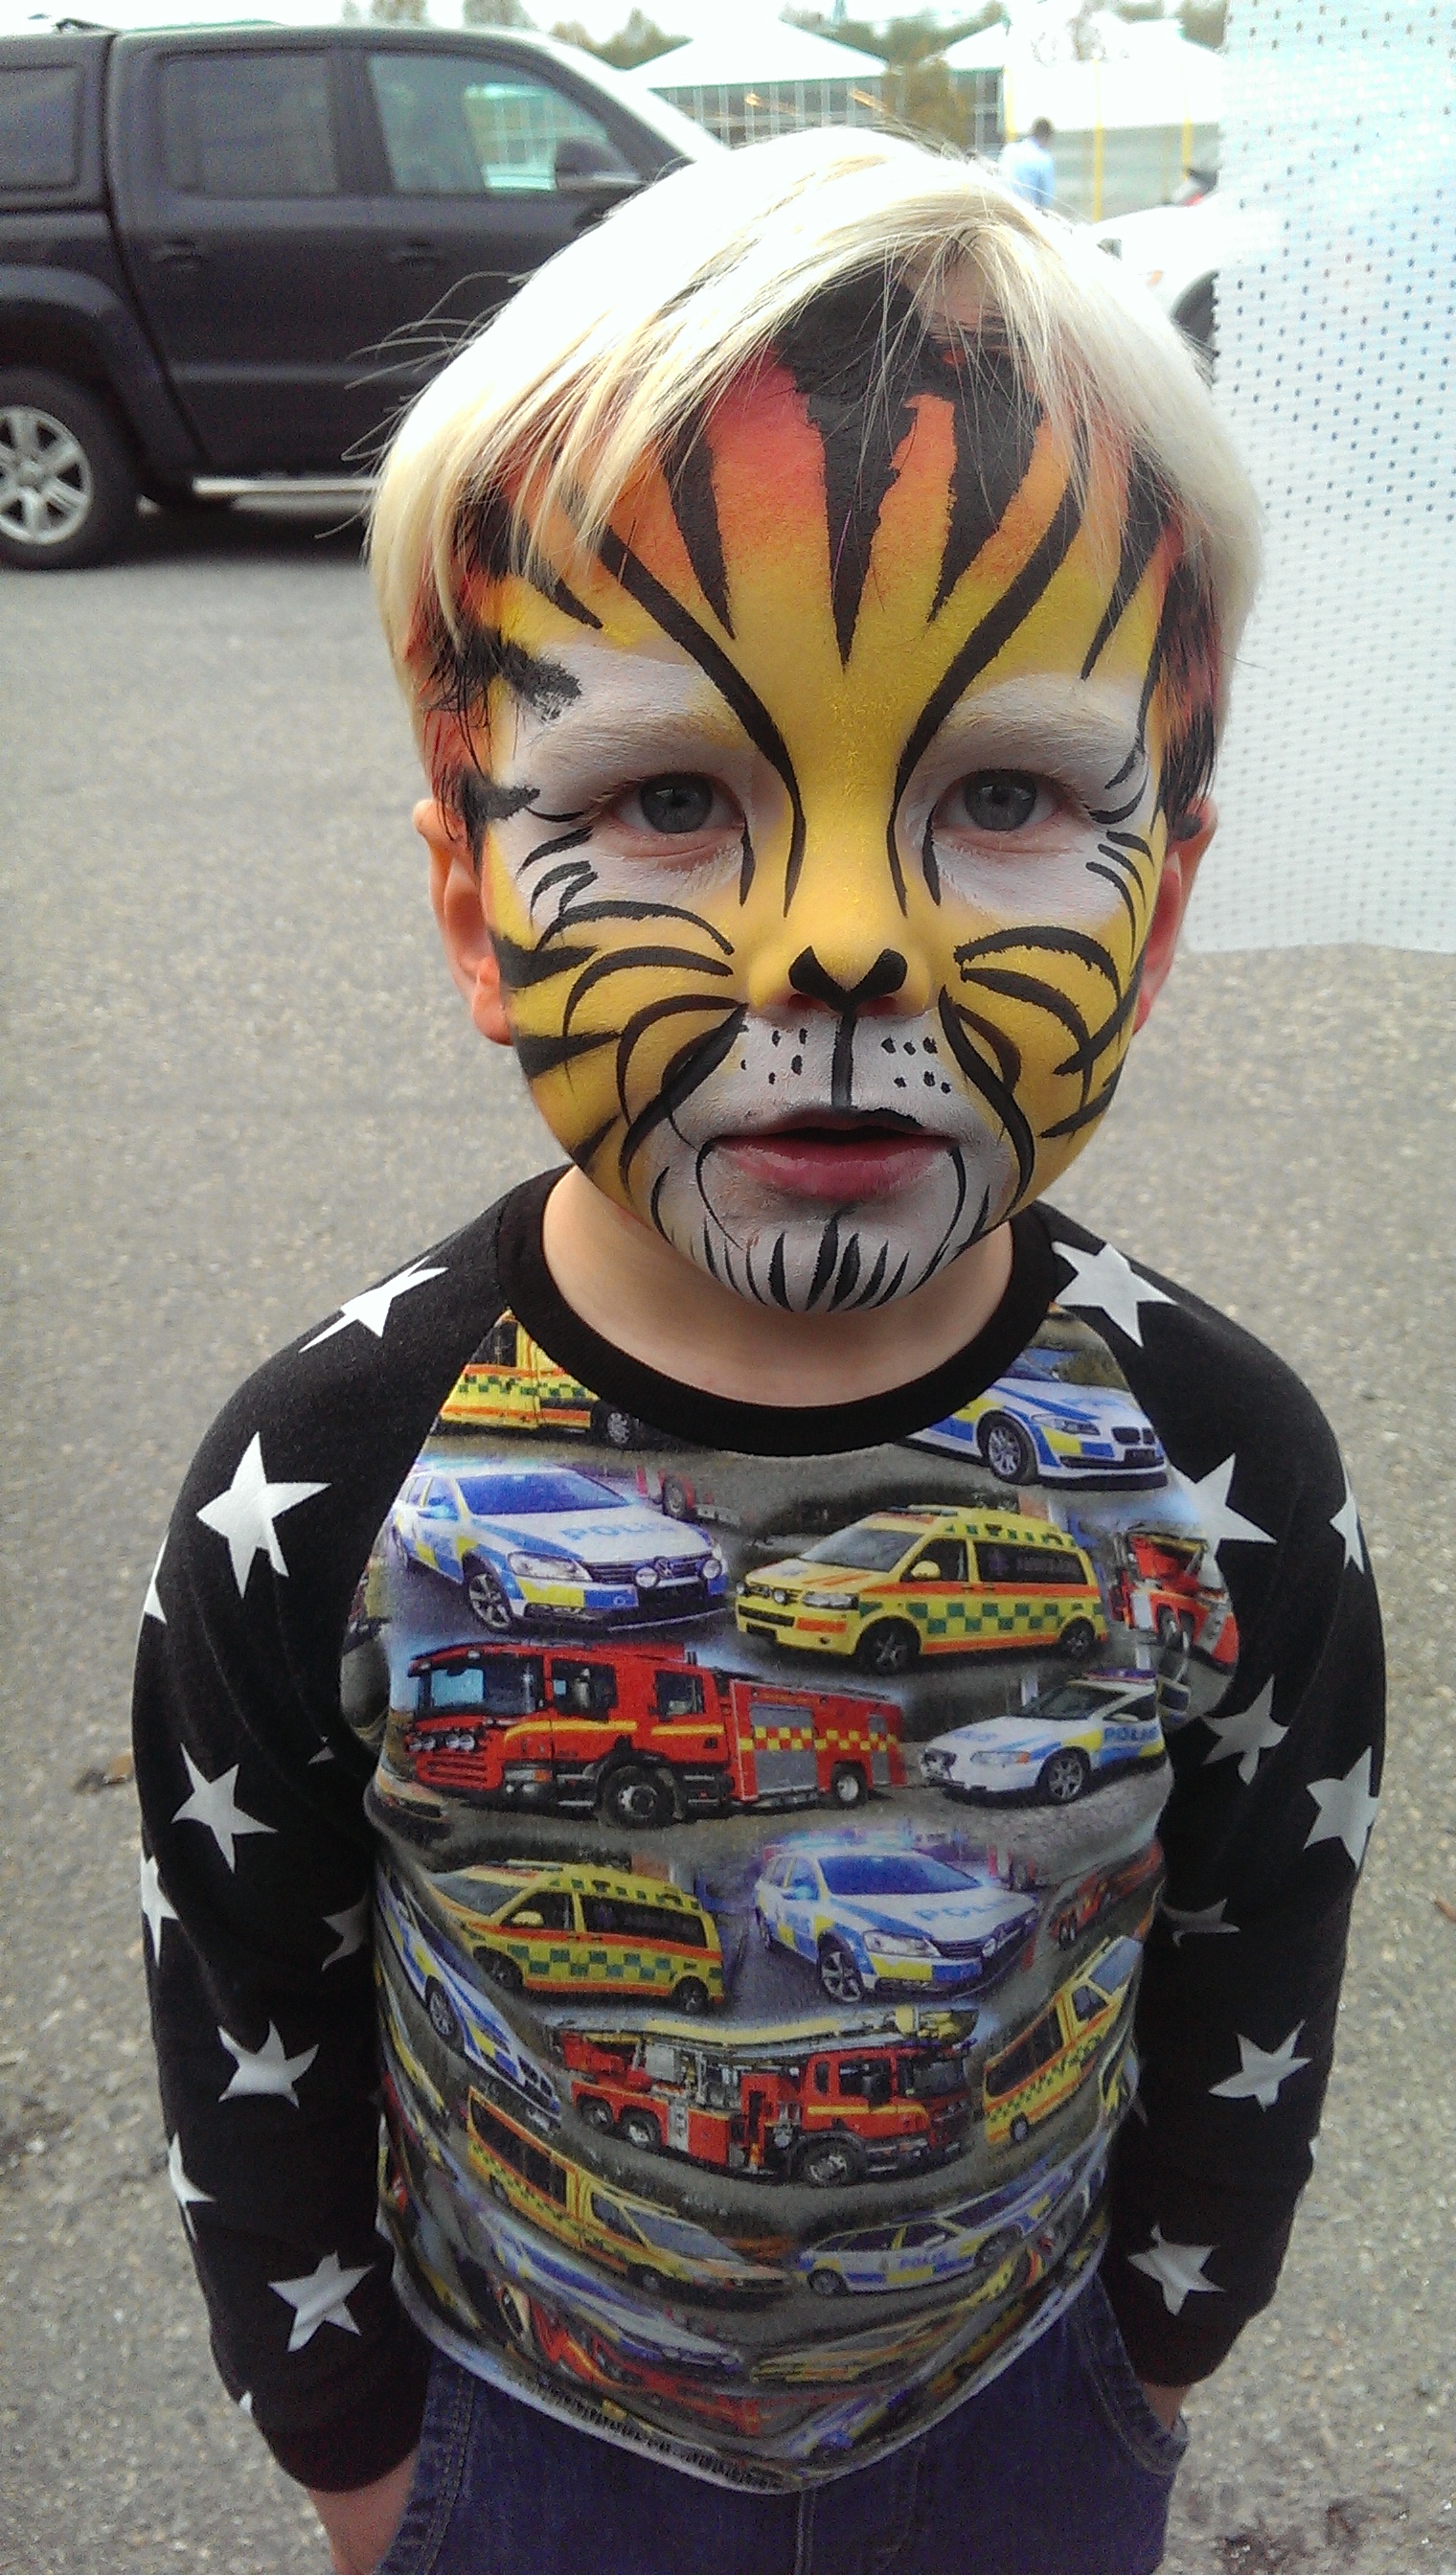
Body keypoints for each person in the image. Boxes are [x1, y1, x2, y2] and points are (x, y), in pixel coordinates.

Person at [134, 129, 1383, 2575]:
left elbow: (1260, 1937)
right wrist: (347, 2444)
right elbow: (245, 1995)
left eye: (1004, 793)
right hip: (521, 2445)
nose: (839, 946)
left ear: (1160, 910)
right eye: (670, 798)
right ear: (475, 901)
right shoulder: (340, 1479)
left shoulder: (1213, 1462)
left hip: (1024, 2422)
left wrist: (1162, 2342)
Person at [1000, 116, 1057, 209]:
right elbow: (1047, 199)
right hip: (1028, 212)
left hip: (1003, 209)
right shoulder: (1044, 160)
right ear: (1047, 137)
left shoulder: (1009, 151)